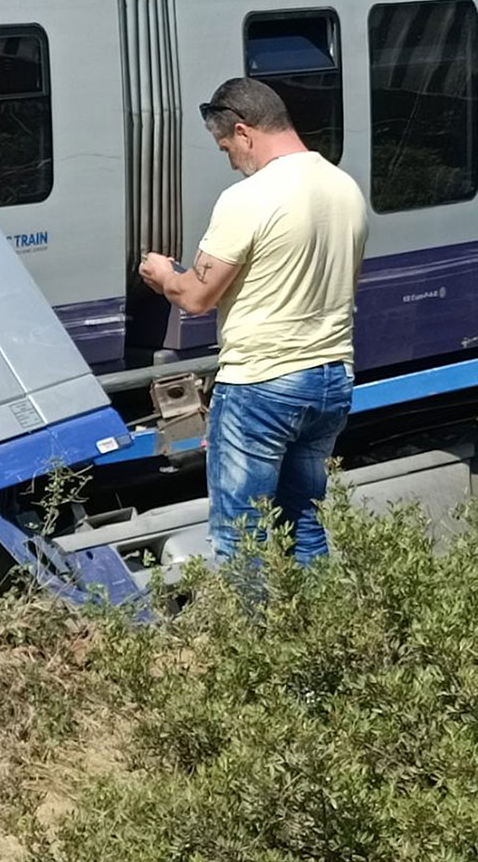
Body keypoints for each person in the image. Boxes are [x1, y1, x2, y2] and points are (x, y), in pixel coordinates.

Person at [137, 77, 368, 564]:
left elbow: (197, 296)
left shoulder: (249, 198)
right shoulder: (344, 187)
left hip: (262, 385)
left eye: (226, 148)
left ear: (243, 132)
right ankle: (316, 631)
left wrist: (162, 275)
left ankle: (251, 638)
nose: (231, 159)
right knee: (303, 522)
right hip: (332, 379)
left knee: (242, 535)